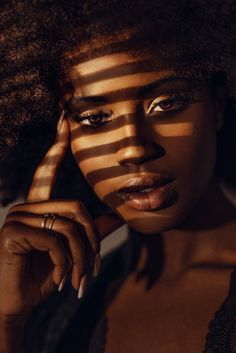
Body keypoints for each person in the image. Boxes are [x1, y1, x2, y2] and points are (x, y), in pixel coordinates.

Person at [0, 0, 236, 352]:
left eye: (167, 103)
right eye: (95, 119)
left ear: (217, 104)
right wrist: (9, 323)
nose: (134, 149)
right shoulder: (59, 309)